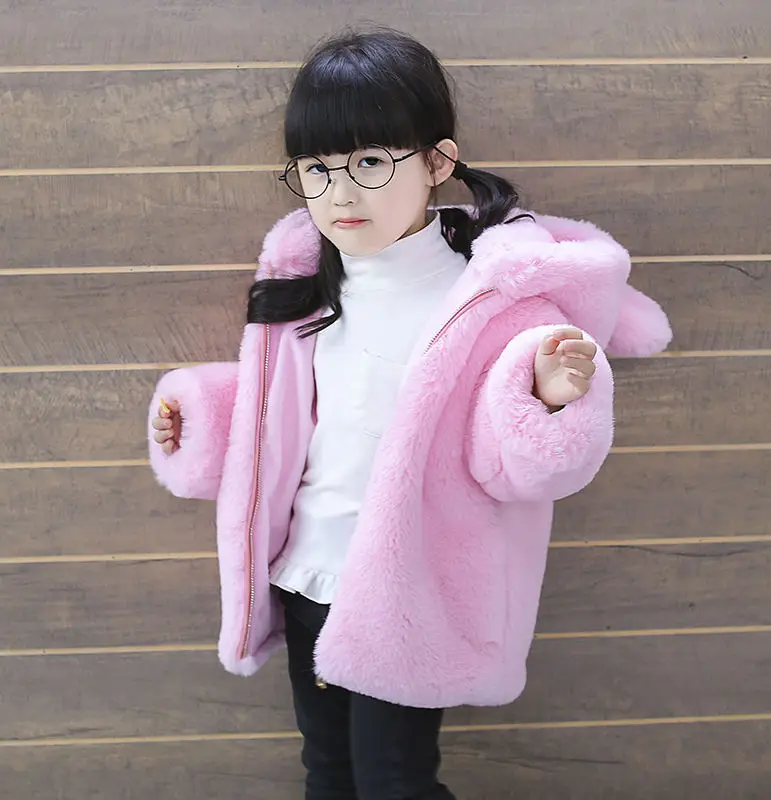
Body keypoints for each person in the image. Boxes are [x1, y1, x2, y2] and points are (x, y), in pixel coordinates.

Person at [149, 27, 671, 800]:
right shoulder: (306, 283)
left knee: (395, 782)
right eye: (317, 169)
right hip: (307, 574)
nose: (340, 194)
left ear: (437, 162)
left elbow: (512, 471)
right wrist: (200, 421)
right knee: (328, 773)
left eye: (369, 163)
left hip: (407, 589)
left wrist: (546, 398)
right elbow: (294, 416)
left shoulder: (490, 298)